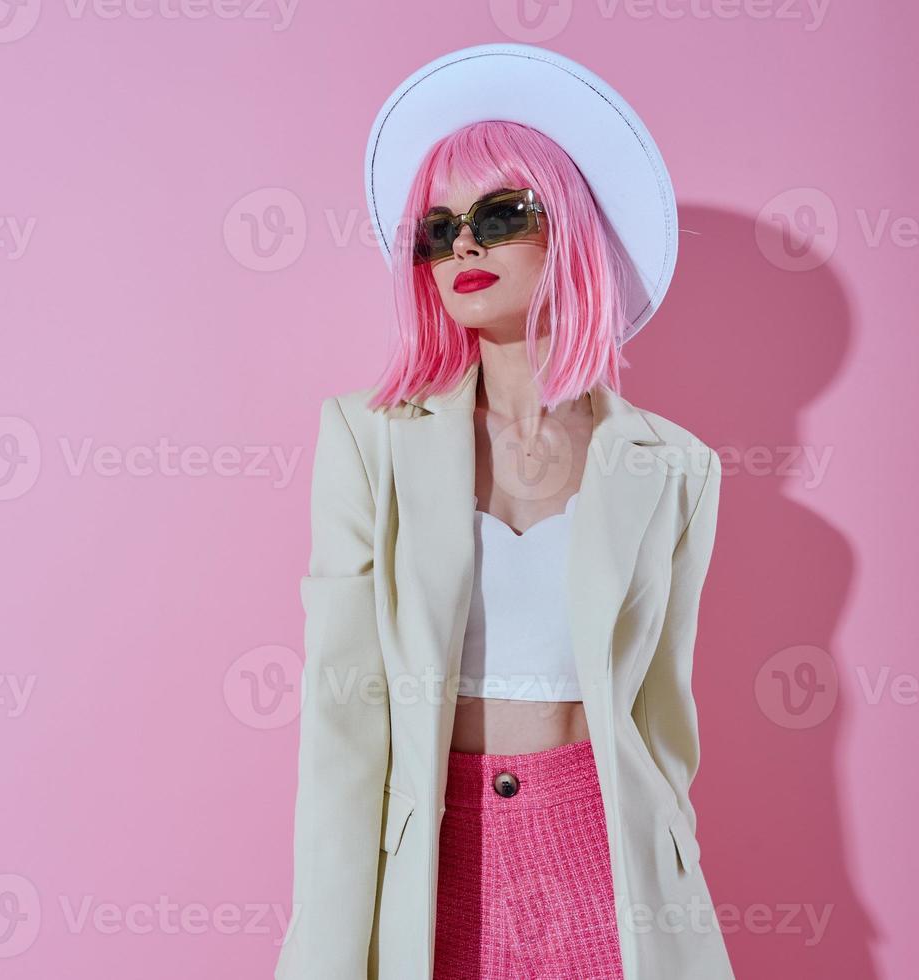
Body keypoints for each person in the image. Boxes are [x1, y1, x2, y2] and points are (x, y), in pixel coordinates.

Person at [276, 44, 736, 980]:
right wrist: (322, 949)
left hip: (603, 858)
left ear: (569, 229)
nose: (466, 247)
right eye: (438, 231)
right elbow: (343, 724)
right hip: (433, 859)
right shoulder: (369, 446)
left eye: (501, 214)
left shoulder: (676, 467)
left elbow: (663, 727)